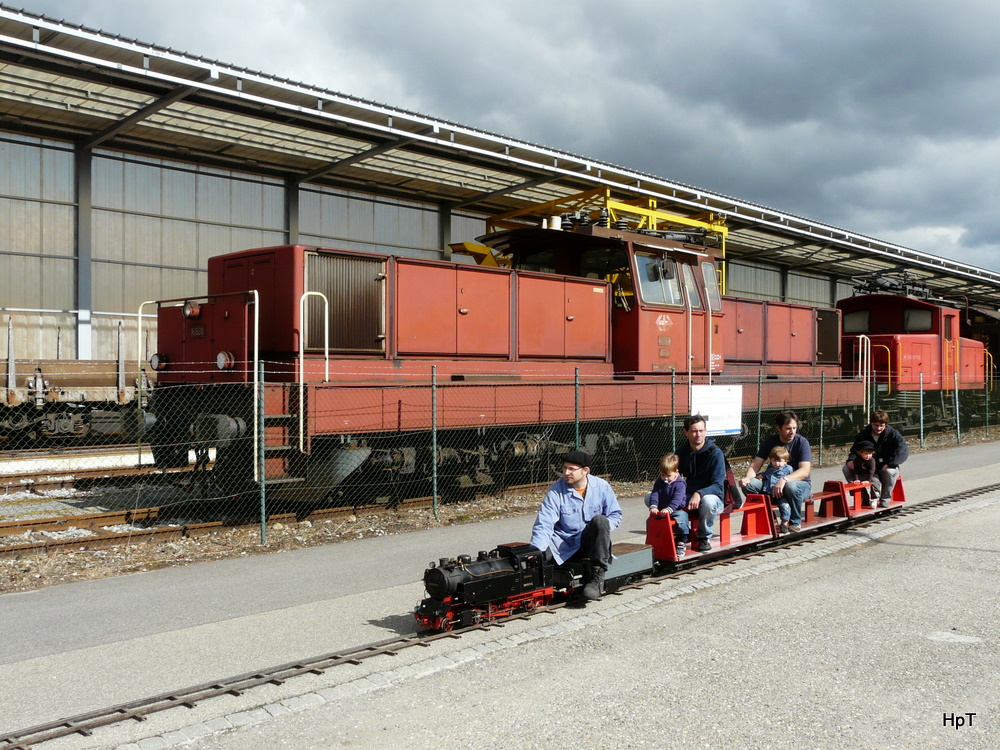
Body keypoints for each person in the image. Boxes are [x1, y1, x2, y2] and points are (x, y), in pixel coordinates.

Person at [530, 450, 623, 600]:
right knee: (538, 556)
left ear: (585, 470)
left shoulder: (602, 487)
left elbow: (615, 514)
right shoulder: (556, 491)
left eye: (571, 469)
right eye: (564, 468)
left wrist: (602, 531)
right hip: (564, 543)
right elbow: (545, 523)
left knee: (600, 520)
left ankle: (596, 578)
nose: (566, 472)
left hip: (590, 543)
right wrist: (535, 551)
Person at [740, 411, 812, 534]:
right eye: (788, 428)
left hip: (799, 486)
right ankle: (770, 517)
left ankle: (795, 522)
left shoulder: (802, 442)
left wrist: (784, 479)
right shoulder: (770, 441)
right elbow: (756, 465)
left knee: (791, 486)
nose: (792, 432)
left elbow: (804, 471)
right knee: (750, 485)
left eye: (794, 428)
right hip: (773, 485)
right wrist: (747, 478)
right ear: (779, 428)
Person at [675, 415, 726, 552]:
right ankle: (683, 533)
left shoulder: (715, 453)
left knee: (708, 501)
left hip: (713, 498)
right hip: (689, 496)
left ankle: (704, 537)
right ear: (686, 432)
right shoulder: (681, 452)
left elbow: (718, 485)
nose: (698, 434)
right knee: (651, 497)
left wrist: (699, 493)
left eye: (701, 431)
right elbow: (674, 476)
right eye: (694, 431)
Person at [843, 410, 909, 508]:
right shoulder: (864, 433)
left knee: (890, 472)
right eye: (875, 425)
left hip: (885, 466)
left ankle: (885, 499)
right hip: (867, 467)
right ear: (871, 423)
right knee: (846, 469)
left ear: (886, 424)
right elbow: (855, 450)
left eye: (881, 425)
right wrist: (851, 460)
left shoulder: (893, 434)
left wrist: (891, 463)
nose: (878, 428)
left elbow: (903, 450)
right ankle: (863, 497)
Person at [645, 453, 689, 557]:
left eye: (668, 476)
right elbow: (655, 494)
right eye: (663, 475)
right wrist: (654, 506)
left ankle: (682, 540)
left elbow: (677, 499)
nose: (665, 478)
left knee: (682, 518)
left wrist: (670, 509)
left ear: (676, 472)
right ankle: (654, 540)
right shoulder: (660, 481)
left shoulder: (680, 484)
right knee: (650, 520)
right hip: (662, 509)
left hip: (677, 509)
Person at [851, 440, 878, 504]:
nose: (868, 456)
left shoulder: (872, 460)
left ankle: (875, 498)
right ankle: (864, 498)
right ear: (860, 453)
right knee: (855, 483)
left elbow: (872, 471)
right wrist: (856, 479)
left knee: (875, 481)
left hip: (871, 475)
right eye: (865, 454)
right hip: (861, 475)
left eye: (870, 454)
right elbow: (856, 470)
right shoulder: (857, 460)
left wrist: (869, 480)